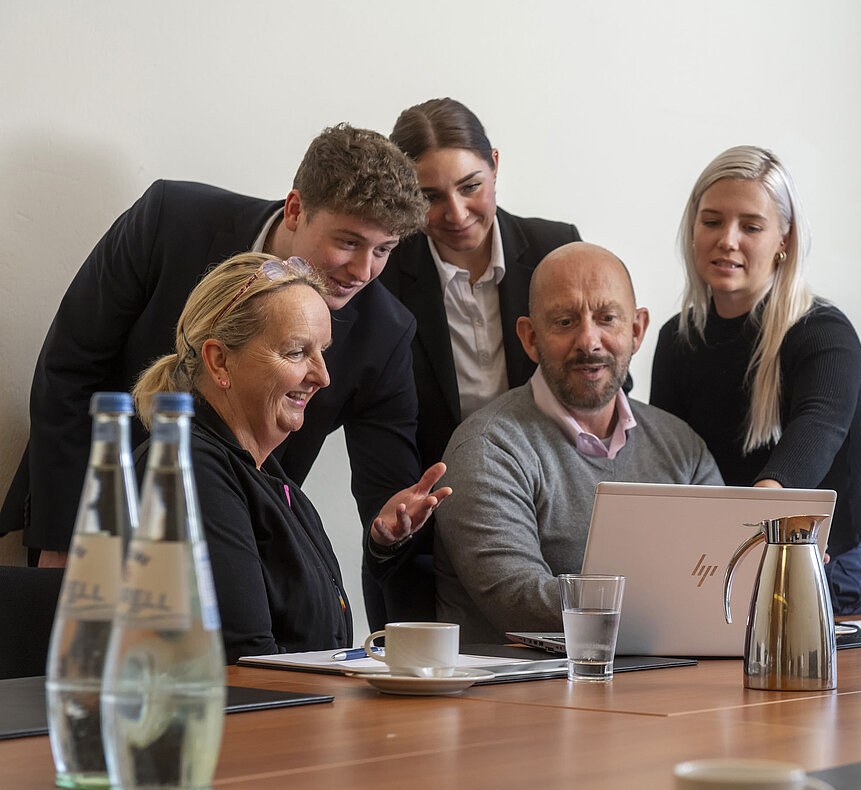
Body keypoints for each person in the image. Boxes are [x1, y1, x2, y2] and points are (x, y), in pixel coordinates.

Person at [0, 124, 427, 631]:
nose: (363, 270)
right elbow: (69, 373)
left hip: (237, 557)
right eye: (349, 241)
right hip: (97, 516)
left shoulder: (386, 331)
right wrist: (69, 538)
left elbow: (388, 493)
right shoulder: (170, 219)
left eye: (384, 250)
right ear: (295, 209)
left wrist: (389, 531)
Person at [130, 253, 449, 663]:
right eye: (297, 352)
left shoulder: (269, 477)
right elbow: (246, 664)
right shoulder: (187, 468)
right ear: (219, 360)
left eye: (323, 352)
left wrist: (381, 543)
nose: (323, 377)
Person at [433, 242, 721, 643]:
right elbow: (520, 604)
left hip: (666, 683)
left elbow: (727, 581)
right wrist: (675, 602)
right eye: (565, 321)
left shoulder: (682, 447)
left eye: (607, 318)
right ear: (530, 338)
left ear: (636, 330)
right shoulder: (487, 449)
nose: (589, 340)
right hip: (525, 698)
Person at [649, 146, 861, 615]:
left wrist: (740, 531)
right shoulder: (678, 339)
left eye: (751, 226)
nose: (727, 240)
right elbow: (667, 467)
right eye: (711, 221)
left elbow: (810, 445)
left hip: (821, 568)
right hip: (720, 560)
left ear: (783, 240)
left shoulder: (824, 335)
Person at [379, 97, 582, 621]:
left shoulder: (553, 248)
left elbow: (594, 384)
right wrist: (393, 529)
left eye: (471, 186)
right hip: (426, 541)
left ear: (494, 163)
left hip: (550, 527)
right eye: (429, 197)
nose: (456, 213)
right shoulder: (380, 273)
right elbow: (379, 424)